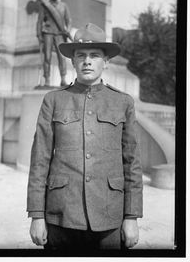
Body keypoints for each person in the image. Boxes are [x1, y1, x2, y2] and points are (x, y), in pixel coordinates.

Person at [27, 23, 143, 252]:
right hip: (61, 215)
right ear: (73, 61)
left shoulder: (123, 102)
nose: (87, 61)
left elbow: (132, 164)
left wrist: (131, 216)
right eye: (81, 55)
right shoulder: (54, 100)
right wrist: (37, 215)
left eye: (95, 55)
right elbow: (39, 160)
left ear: (106, 61)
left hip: (109, 216)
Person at [36, 0, 72, 87]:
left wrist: (68, 30)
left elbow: (68, 20)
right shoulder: (45, 6)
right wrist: (38, 34)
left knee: (62, 57)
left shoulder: (63, 6)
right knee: (47, 56)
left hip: (60, 34)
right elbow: (39, 21)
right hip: (48, 33)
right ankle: (47, 79)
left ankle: (63, 79)